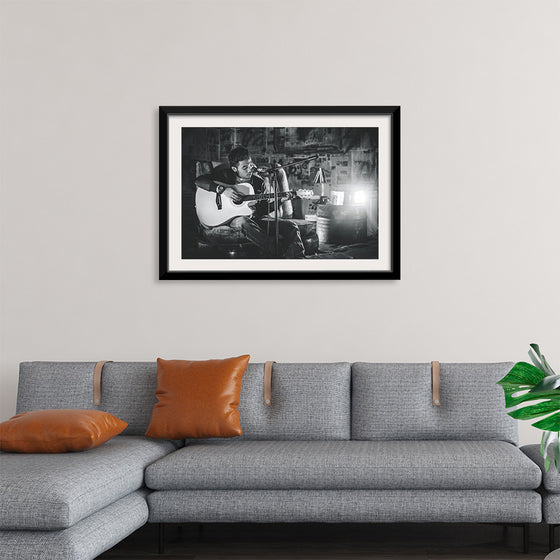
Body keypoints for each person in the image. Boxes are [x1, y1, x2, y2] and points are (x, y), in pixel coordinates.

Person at [195, 146, 305, 258]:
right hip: (231, 219)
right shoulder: (224, 175)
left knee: (291, 226)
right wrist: (222, 190)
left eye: (250, 164)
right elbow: (199, 181)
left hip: (254, 219)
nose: (249, 169)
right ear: (234, 169)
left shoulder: (258, 182)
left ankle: (298, 258)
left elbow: (263, 209)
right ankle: (278, 254)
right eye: (244, 167)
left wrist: (280, 201)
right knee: (243, 221)